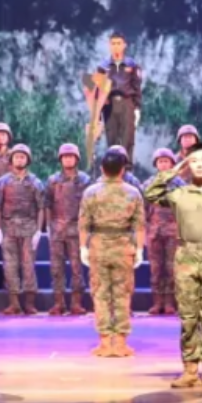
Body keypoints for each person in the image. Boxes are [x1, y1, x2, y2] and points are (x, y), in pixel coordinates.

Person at [143, 144, 202, 390]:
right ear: (188, 165)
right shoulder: (179, 194)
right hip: (186, 255)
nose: (199, 165)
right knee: (188, 317)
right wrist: (174, 170)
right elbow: (150, 193)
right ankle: (190, 369)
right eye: (193, 161)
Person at [80, 147, 147, 357]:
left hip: (98, 246)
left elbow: (83, 224)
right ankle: (120, 343)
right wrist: (139, 249)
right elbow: (140, 226)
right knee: (122, 294)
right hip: (123, 247)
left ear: (102, 168)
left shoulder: (91, 192)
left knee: (100, 294)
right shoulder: (133, 193)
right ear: (122, 170)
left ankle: (104, 343)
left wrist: (83, 247)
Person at [0, 143, 45, 316]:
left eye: (22, 157)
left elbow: (41, 208)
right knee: (10, 266)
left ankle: (29, 304)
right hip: (8, 228)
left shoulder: (35, 182)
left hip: (29, 228)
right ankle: (14, 303)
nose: (19, 159)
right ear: (11, 160)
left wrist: (39, 230)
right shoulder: (3, 182)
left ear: (27, 160)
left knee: (28, 266)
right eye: (16, 157)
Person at [44, 143, 91, 316]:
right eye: (65, 157)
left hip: (77, 230)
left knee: (77, 268)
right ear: (60, 159)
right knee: (56, 268)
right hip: (57, 230)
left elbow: (89, 206)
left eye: (71, 156)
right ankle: (59, 303)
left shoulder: (85, 180)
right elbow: (47, 204)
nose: (68, 159)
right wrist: (48, 227)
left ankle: (76, 303)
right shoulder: (53, 180)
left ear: (77, 159)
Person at [145, 148, 182, 316]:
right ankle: (157, 301)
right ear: (156, 164)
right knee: (155, 268)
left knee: (171, 268)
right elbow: (143, 209)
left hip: (174, 231)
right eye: (160, 162)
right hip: (154, 232)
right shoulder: (148, 184)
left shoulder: (180, 184)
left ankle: (169, 302)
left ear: (172, 164)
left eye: (166, 161)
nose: (163, 164)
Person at [99, 33, 143, 159]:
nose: (116, 46)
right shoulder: (103, 66)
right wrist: (98, 116)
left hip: (127, 103)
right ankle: (113, 167)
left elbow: (136, 87)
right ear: (109, 46)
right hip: (109, 105)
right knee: (112, 139)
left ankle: (127, 168)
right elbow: (98, 92)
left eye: (119, 43)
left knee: (127, 139)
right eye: (113, 43)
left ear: (124, 45)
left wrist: (137, 108)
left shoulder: (132, 65)